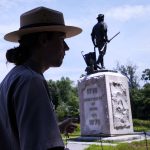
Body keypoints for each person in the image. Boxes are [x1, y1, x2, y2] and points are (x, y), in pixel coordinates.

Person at [0, 7, 82, 150]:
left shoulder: (13, 78)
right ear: (43, 40)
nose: (67, 47)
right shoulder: (31, 81)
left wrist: (55, 128)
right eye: (62, 39)